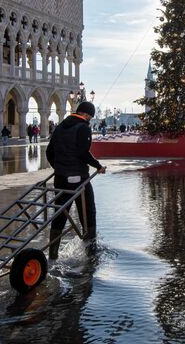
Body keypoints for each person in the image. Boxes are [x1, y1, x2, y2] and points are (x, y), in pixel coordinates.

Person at [45, 101, 106, 260]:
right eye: (90, 117)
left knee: (60, 213)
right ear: (86, 115)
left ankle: (53, 254)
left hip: (60, 178)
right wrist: (98, 166)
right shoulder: (83, 127)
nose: (89, 120)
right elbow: (83, 153)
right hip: (79, 179)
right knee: (88, 212)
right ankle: (90, 252)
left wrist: (59, 168)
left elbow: (49, 152)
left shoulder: (60, 127)